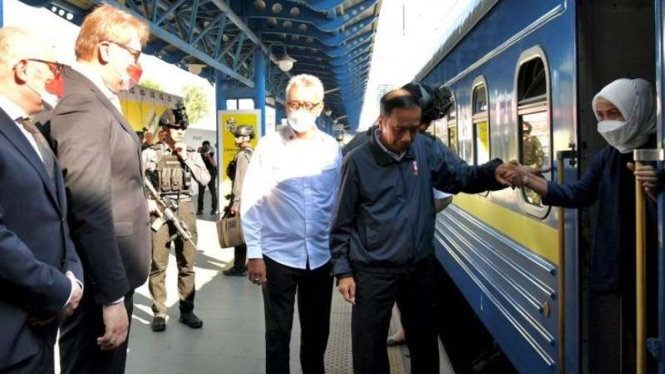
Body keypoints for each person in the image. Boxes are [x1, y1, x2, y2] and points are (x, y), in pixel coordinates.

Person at [330, 89, 520, 374]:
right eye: (400, 129)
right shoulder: (357, 161)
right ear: (381, 122)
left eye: (413, 129)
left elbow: (460, 175)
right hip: (373, 270)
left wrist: (493, 173)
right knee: (369, 350)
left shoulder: (425, 148)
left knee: (425, 344)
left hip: (418, 265)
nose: (407, 137)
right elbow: (341, 221)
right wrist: (343, 271)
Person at [517, 78, 660, 374]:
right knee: (626, 337)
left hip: (654, 266)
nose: (607, 123)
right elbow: (579, 193)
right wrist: (531, 181)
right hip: (616, 261)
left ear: (639, 111)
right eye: (602, 115)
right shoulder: (607, 156)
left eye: (615, 114)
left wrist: (657, 193)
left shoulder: (657, 153)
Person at [47, 5, 151, 374]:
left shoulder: (89, 97)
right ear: (106, 50)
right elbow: (88, 204)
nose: (137, 66)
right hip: (99, 279)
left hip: (108, 270)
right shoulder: (83, 105)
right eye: (134, 54)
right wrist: (111, 297)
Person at [241, 74, 342, 374]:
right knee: (277, 334)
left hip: (321, 256)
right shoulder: (268, 145)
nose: (300, 111)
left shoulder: (331, 148)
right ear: (286, 105)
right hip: (276, 256)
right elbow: (252, 198)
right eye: (294, 104)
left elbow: (338, 202)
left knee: (317, 332)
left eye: (307, 105)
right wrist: (254, 253)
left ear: (320, 108)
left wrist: (341, 254)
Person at [0, 27, 84, 374]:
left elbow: (58, 216)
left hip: (38, 330)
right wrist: (57, 289)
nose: (55, 76)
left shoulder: (31, 130)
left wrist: (72, 279)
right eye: (51, 66)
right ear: (22, 69)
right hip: (10, 334)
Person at [143, 103, 210, 332]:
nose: (181, 131)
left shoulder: (191, 153)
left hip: (184, 208)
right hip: (159, 210)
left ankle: (187, 310)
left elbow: (205, 180)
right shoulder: (150, 153)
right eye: (176, 127)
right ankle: (160, 312)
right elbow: (136, 180)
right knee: (158, 264)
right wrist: (147, 201)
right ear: (165, 129)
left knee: (187, 264)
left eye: (183, 127)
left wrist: (187, 159)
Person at [222, 125, 255, 276]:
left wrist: (235, 203)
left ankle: (239, 266)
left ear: (247, 137)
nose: (235, 139)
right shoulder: (252, 153)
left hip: (242, 200)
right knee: (249, 232)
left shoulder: (242, 155)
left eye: (239, 136)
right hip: (251, 199)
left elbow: (239, 181)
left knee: (239, 234)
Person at [196, 140, 218, 215]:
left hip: (211, 175)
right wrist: (199, 152)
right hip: (202, 175)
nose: (205, 148)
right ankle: (200, 210)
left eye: (206, 147)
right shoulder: (200, 154)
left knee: (213, 192)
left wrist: (208, 155)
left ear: (209, 146)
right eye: (204, 147)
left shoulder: (213, 153)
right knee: (201, 194)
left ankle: (214, 209)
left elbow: (214, 164)